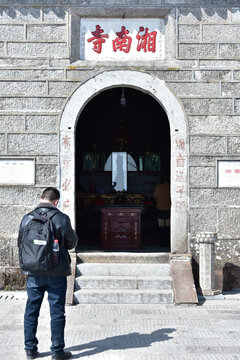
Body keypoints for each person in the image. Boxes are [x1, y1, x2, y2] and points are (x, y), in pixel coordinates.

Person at [18, 187, 78, 360]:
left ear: (40, 198)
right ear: (56, 201)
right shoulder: (61, 218)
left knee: (31, 310)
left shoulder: (27, 218)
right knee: (57, 311)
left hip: (33, 272)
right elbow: (71, 243)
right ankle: (57, 351)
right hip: (56, 272)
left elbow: (20, 244)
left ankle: (30, 349)